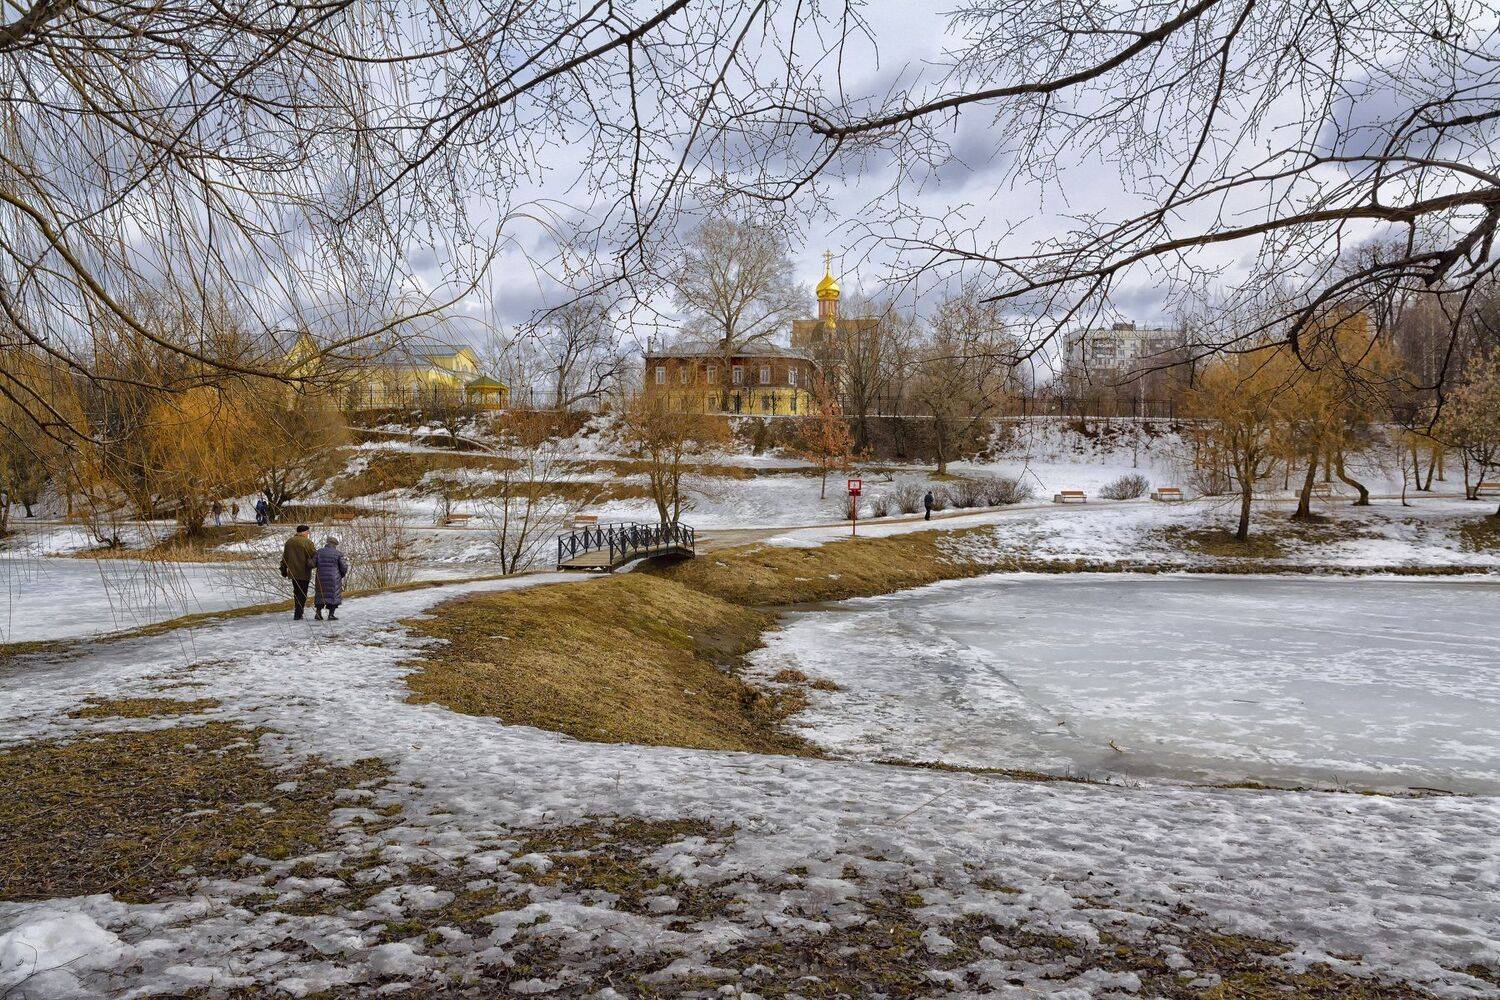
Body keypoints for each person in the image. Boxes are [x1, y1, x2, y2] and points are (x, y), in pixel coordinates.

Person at [279, 524, 316, 620]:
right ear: (303, 532)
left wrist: (283, 569)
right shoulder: (308, 542)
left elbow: (285, 557)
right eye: (307, 532)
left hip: (293, 573)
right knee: (303, 593)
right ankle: (299, 613)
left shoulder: (289, 542)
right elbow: (314, 556)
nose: (308, 534)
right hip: (304, 572)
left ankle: (298, 612)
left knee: (296, 592)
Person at [312, 536, 351, 621]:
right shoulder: (338, 553)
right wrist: (341, 575)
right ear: (335, 544)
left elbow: (312, 564)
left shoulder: (319, 552)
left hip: (321, 578)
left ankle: (318, 613)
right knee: (333, 595)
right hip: (334, 578)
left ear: (327, 543)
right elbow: (343, 567)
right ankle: (331, 615)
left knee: (320, 594)